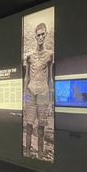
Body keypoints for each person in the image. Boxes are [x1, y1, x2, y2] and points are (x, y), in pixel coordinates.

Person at [23, 23, 54, 159]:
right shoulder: (29, 56)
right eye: (38, 35)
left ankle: (40, 154)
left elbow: (50, 78)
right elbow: (26, 78)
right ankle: (27, 152)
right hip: (30, 92)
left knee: (41, 127)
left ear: (46, 35)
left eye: (43, 34)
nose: (41, 37)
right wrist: (25, 99)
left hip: (43, 93)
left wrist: (51, 101)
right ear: (35, 36)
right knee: (29, 125)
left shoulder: (50, 55)